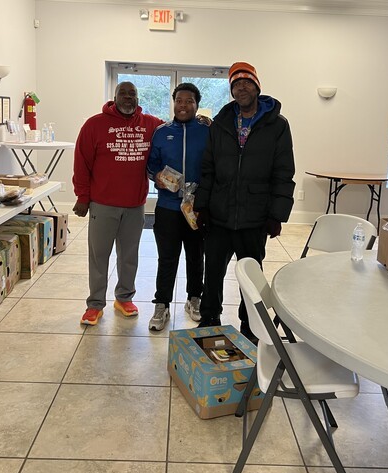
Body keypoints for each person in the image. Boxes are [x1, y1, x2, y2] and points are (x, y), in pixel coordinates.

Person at [193, 62, 295, 342]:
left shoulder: (277, 125)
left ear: (257, 87)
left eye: (247, 83)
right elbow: (208, 168)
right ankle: (209, 318)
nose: (242, 88)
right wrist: (202, 206)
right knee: (213, 272)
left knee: (250, 276)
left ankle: (250, 326)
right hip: (220, 213)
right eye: (236, 84)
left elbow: (284, 172)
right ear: (232, 91)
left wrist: (277, 214)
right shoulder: (221, 123)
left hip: (254, 215)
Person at [73, 81, 163, 326]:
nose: (128, 97)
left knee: (129, 256)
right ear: (114, 98)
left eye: (132, 94)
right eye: (123, 93)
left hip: (135, 204)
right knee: (99, 255)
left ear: (137, 98)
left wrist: (202, 122)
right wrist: (82, 197)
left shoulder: (150, 124)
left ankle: (124, 298)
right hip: (102, 204)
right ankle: (95, 305)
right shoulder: (94, 125)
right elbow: (81, 163)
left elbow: (176, 129)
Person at [147, 83, 210, 331]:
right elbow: (151, 165)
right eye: (179, 101)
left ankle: (194, 299)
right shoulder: (162, 132)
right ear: (174, 103)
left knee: (196, 256)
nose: (183, 105)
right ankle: (161, 304)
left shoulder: (207, 131)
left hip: (197, 208)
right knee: (167, 258)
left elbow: (214, 165)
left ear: (197, 104)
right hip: (168, 207)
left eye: (189, 101)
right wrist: (157, 176)